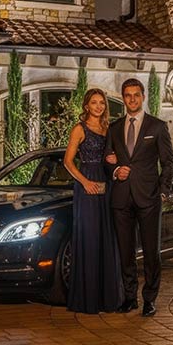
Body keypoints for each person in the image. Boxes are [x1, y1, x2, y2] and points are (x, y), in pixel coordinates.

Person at [105, 78, 173, 317]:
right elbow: (106, 161)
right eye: (127, 95)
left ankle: (150, 299)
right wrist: (115, 170)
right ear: (123, 98)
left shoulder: (157, 127)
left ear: (143, 96)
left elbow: (168, 163)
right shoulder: (114, 128)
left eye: (136, 94)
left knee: (151, 252)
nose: (132, 99)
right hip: (121, 198)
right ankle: (129, 297)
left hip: (149, 198)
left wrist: (163, 191)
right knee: (126, 252)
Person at [62, 88, 124, 314]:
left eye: (102, 103)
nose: (98, 106)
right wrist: (85, 182)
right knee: (89, 239)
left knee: (107, 238)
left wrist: (116, 158)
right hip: (86, 187)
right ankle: (87, 299)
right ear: (86, 106)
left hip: (107, 185)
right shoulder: (79, 129)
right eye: (94, 103)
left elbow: (117, 156)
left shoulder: (109, 129)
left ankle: (108, 299)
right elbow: (68, 162)